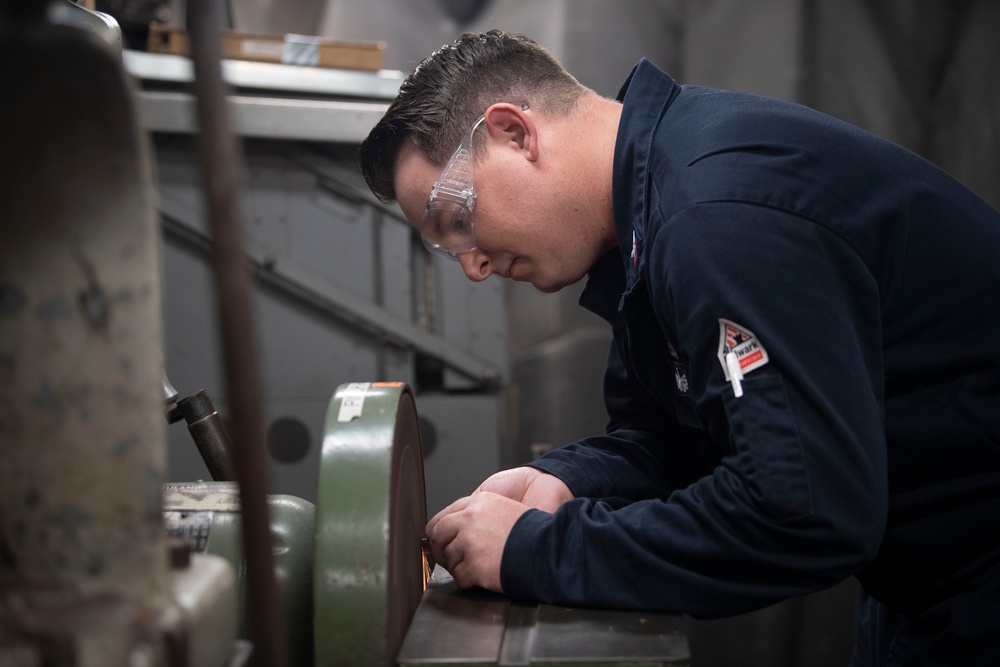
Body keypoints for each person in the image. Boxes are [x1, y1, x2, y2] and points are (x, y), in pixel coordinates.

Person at [357, 30, 1000, 666]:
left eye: (460, 220)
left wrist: (535, 551)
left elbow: (801, 510)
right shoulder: (650, 216)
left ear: (514, 133)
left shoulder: (715, 218)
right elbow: (690, 436)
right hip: (926, 581)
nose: (472, 266)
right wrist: (565, 481)